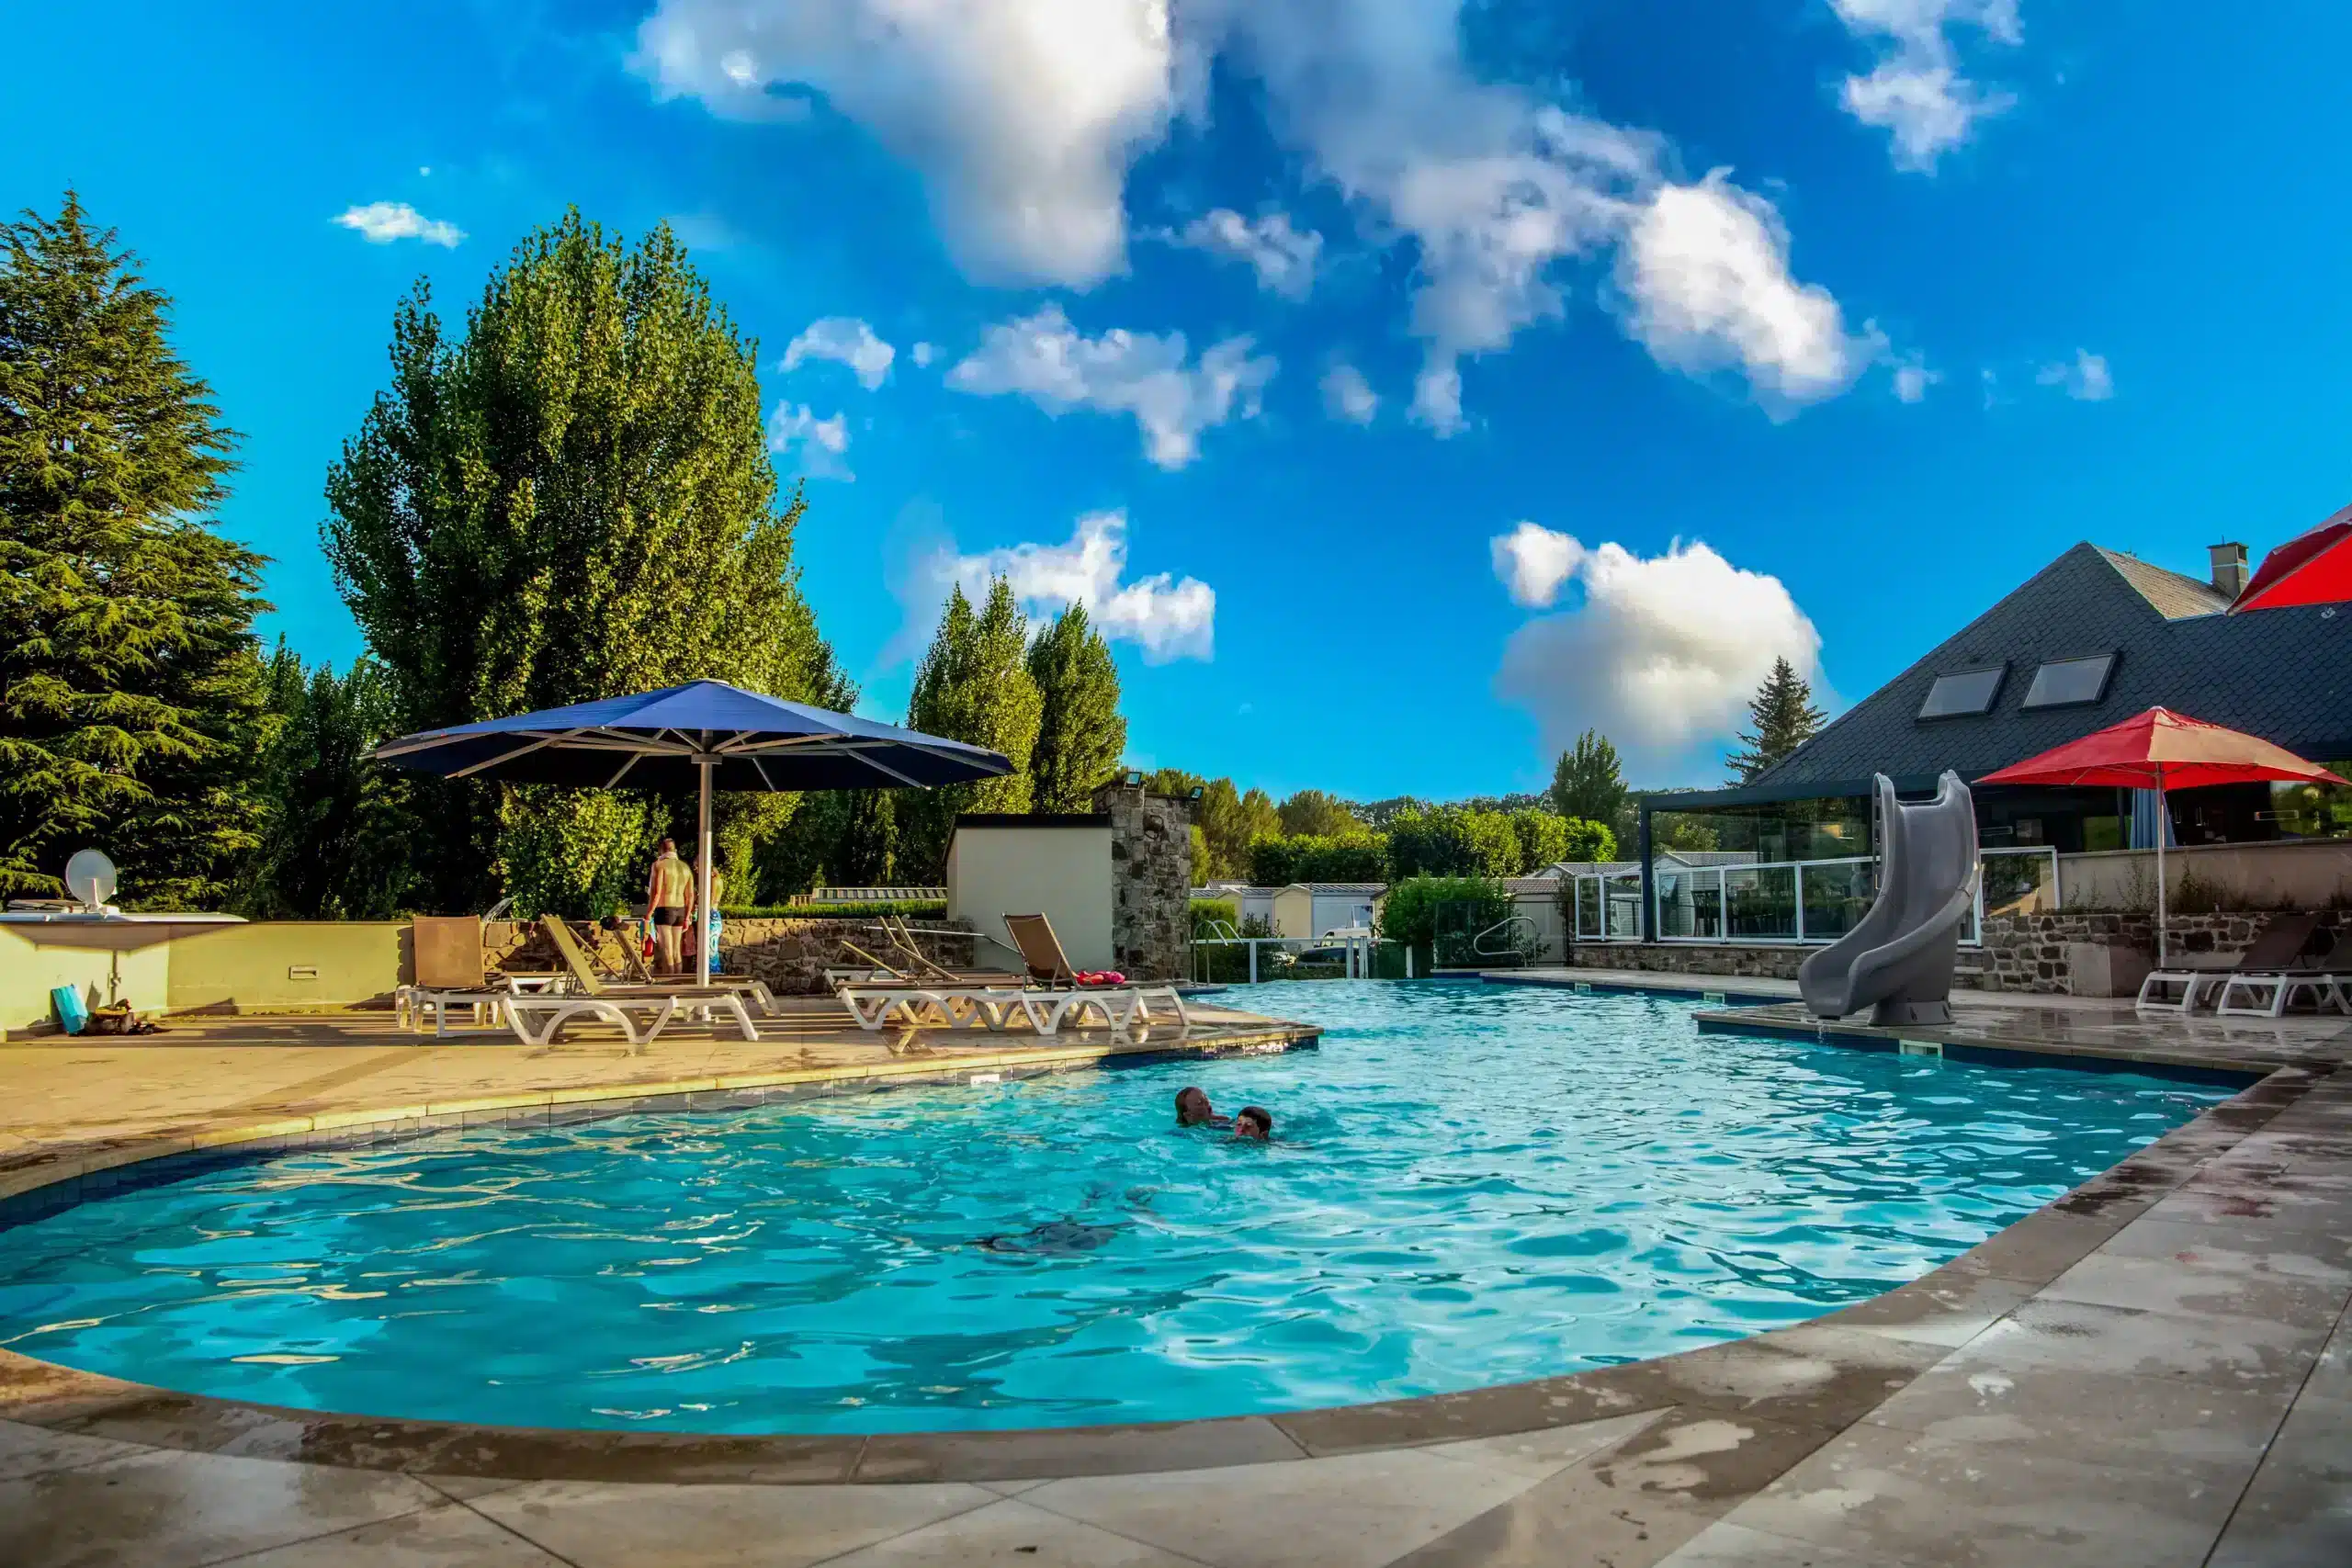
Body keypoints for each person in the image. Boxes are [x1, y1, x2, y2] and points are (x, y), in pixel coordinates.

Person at [645, 838, 692, 976]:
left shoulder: (659, 865)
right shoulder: (685, 867)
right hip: (680, 910)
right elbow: (690, 896)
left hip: (664, 909)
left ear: (661, 850)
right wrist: (688, 917)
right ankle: (678, 985)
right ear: (674, 849)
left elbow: (656, 892)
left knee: (667, 952)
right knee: (677, 952)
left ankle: (669, 986)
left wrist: (649, 913)